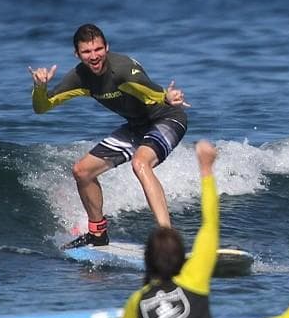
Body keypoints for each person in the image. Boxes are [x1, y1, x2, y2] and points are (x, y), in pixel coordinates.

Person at [29, 23, 190, 249]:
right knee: (82, 171)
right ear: (77, 54)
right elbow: (42, 108)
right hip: (136, 126)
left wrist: (168, 96)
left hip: (167, 118)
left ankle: (168, 237)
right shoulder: (79, 77)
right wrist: (39, 88)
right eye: (86, 52)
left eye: (98, 49)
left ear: (107, 47)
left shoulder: (122, 69)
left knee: (140, 163)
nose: (93, 56)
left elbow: (153, 92)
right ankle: (97, 234)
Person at [102, 140, 227, 318]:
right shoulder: (195, 277)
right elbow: (210, 224)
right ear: (182, 256)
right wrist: (205, 169)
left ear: (147, 259)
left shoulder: (138, 300)